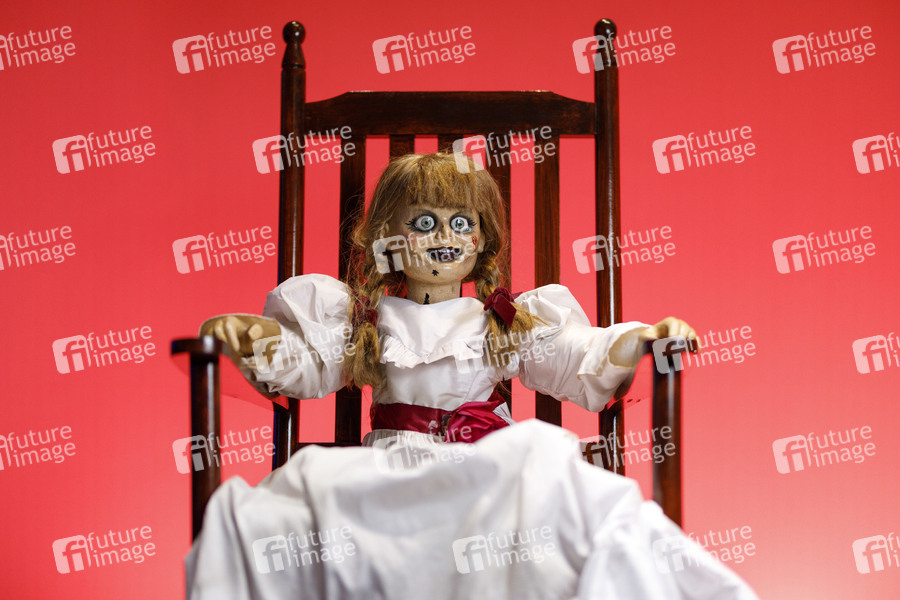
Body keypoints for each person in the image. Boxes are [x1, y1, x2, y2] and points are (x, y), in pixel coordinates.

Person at [200, 152, 698, 445]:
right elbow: (307, 359)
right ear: (387, 239)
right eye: (423, 222)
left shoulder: (502, 321)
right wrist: (255, 336)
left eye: (461, 222)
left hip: (489, 469)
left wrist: (641, 341)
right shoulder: (364, 322)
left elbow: (575, 355)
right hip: (394, 475)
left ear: (481, 240)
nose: (445, 235)